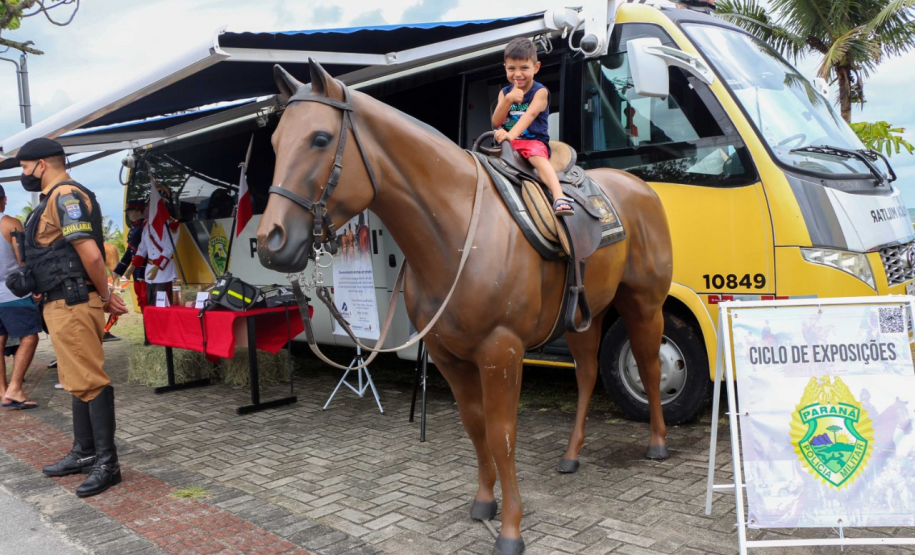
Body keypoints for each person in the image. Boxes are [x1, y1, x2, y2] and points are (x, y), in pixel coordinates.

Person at [15, 137, 128, 497]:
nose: (23, 174)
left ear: (42, 164)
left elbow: (92, 256)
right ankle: (84, 452)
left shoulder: (65, 196)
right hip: (61, 302)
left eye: (24, 167)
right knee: (76, 378)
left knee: (90, 380)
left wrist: (108, 296)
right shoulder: (54, 199)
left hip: (74, 303)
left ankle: (107, 464)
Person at [491, 38, 573, 216]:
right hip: (507, 143)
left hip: (532, 141)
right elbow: (497, 121)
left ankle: (559, 196)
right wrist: (508, 100)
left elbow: (530, 115)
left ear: (536, 68)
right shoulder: (504, 93)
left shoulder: (540, 92)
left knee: (536, 157)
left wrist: (510, 135)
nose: (517, 74)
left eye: (524, 68)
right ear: (505, 67)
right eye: (511, 68)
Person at [0, 184, 41, 410]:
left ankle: (4, 392)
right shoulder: (10, 223)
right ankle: (14, 388)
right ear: (3, 200)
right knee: (29, 337)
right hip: (13, 292)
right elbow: (23, 259)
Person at [135, 184, 179, 308]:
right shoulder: (147, 225)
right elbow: (142, 248)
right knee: (151, 306)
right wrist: (132, 267)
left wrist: (157, 267)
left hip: (164, 272)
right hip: (150, 271)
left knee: (164, 306)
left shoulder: (172, 225)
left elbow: (169, 249)